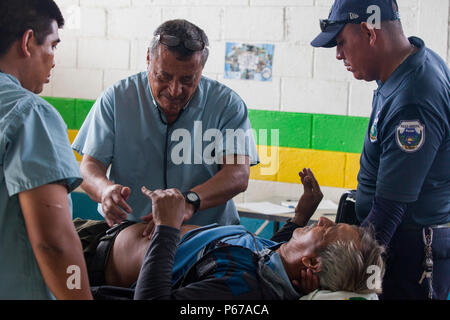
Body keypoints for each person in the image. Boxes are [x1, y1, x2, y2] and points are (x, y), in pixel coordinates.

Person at [311, 0, 449, 300]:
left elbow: (390, 208)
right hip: (397, 243)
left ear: (369, 32)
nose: (338, 55)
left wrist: (350, 280)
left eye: (341, 43)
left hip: (408, 251)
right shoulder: (408, 69)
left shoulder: (413, 98)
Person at [75, 169, 385, 300]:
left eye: (328, 231)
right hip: (102, 233)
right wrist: (301, 213)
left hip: (88, 260)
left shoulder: (243, 287)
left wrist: (168, 228)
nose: (323, 222)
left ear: (312, 264)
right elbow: (273, 248)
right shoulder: (274, 263)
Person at [72, 19, 258, 237]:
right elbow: (89, 167)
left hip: (206, 234)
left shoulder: (227, 105)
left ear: (201, 69)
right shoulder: (115, 99)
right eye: (164, 77)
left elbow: (237, 174)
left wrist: (189, 201)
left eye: (188, 80)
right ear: (149, 59)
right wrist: (105, 190)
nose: (175, 90)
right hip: (132, 234)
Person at [0, 0, 92, 299]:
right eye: (53, 45)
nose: (54, 59)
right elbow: (54, 243)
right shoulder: (30, 113)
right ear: (27, 42)